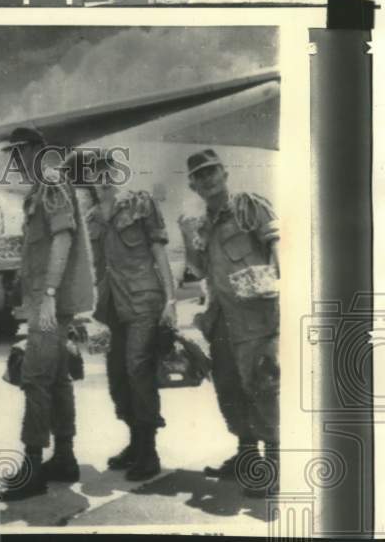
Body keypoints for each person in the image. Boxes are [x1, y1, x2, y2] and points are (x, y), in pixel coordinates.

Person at [0, 128, 95, 500]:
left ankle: (33, 468)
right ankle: (65, 458)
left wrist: (51, 293)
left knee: (35, 378)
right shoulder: (39, 190)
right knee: (56, 380)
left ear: (38, 150)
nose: (15, 160)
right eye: (12, 154)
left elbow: (63, 236)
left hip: (49, 302)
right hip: (41, 299)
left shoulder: (51, 183)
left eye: (19, 152)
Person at [178, 149, 280, 497]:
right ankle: (247, 456)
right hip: (222, 318)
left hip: (255, 316)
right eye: (199, 176)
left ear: (224, 173)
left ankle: (273, 466)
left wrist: (280, 288)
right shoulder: (202, 224)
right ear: (193, 185)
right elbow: (201, 271)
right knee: (229, 389)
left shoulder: (249, 206)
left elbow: (278, 245)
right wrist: (185, 234)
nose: (207, 180)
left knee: (263, 388)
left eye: (211, 172)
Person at [80, 154, 177, 481]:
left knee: (138, 367)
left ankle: (149, 450)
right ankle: (135, 442)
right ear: (90, 180)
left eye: (108, 172)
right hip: (110, 307)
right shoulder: (91, 218)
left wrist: (171, 300)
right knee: (117, 374)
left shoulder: (140, 204)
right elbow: (92, 269)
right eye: (96, 174)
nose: (103, 178)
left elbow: (159, 251)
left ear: (117, 173)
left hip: (143, 300)